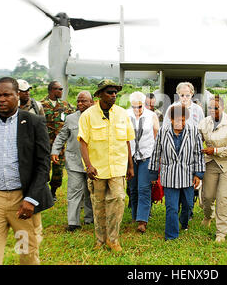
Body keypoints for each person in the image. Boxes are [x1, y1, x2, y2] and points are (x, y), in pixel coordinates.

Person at [0, 77, 53, 265]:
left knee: (26, 255)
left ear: (18, 97)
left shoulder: (33, 123)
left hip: (23, 203)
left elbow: (43, 164)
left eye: (7, 95)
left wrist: (30, 199)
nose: (2, 99)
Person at [78, 79, 135, 252]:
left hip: (118, 167)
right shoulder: (87, 115)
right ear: (100, 94)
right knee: (99, 204)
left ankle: (114, 240)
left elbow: (127, 141)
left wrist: (130, 166)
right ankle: (100, 240)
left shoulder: (122, 114)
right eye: (110, 92)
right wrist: (88, 165)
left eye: (115, 92)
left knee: (118, 200)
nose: (113, 95)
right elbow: (83, 142)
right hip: (97, 169)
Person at [148, 105, 205, 240]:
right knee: (171, 207)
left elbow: (198, 154)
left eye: (183, 120)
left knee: (188, 205)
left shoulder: (194, 132)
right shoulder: (163, 132)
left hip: (188, 175)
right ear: (171, 120)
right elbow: (156, 153)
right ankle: (171, 235)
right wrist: (153, 174)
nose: (181, 123)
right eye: (178, 120)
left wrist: (198, 174)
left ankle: (184, 222)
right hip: (170, 175)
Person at [198, 96, 227, 243]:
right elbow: (196, 139)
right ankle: (207, 216)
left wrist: (216, 150)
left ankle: (221, 232)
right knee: (208, 196)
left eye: (215, 108)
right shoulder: (204, 123)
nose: (212, 110)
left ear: (223, 108)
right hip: (211, 163)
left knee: (223, 198)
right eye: (210, 108)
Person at [51, 91, 94, 232]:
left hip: (92, 163)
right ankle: (73, 222)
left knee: (90, 192)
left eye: (84, 101)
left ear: (92, 102)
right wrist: (55, 151)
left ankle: (90, 218)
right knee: (74, 191)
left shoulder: (97, 117)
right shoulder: (70, 119)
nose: (80, 104)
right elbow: (61, 136)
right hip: (74, 161)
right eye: (78, 101)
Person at [127, 91, 160, 233]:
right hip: (131, 156)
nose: (137, 110)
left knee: (144, 188)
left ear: (144, 105)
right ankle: (135, 215)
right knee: (133, 188)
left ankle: (142, 220)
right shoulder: (125, 115)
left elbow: (156, 136)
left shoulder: (151, 116)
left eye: (139, 106)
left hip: (147, 156)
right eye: (134, 106)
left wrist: (157, 157)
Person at [40, 81, 75, 201]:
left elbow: (77, 116)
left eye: (61, 89)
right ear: (51, 90)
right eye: (58, 89)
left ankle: (53, 192)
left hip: (59, 146)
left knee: (58, 172)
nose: (61, 91)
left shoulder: (65, 106)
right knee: (43, 170)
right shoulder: (41, 105)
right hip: (44, 144)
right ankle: (42, 192)